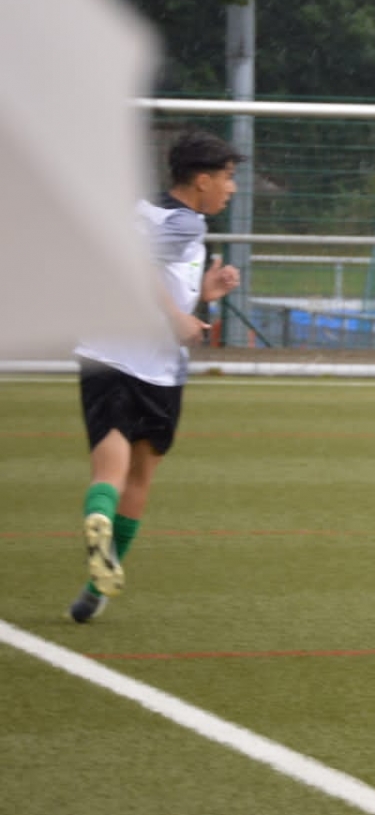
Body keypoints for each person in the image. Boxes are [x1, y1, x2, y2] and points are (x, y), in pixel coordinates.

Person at [68, 130, 243, 622]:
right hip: (154, 366)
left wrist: (203, 293)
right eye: (228, 177)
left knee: (109, 470)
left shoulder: (144, 211)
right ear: (202, 180)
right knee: (140, 476)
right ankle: (97, 586)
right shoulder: (186, 223)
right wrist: (177, 317)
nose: (231, 188)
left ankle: (97, 519)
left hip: (103, 353)